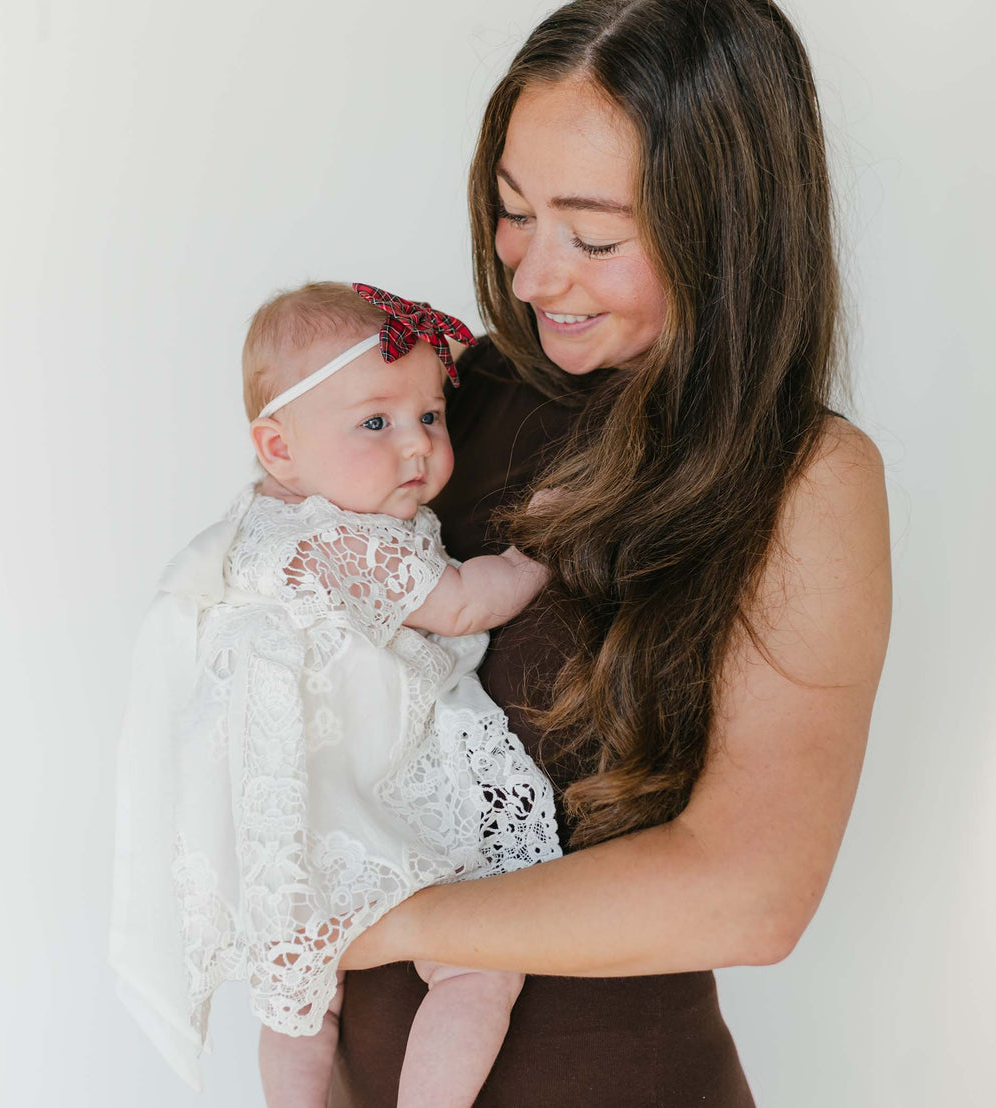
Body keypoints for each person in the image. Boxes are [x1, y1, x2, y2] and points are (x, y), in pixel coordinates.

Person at [331, 1, 892, 1105]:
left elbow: (751, 891)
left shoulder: (805, 479)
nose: (537, 277)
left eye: (592, 236)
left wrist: (374, 925)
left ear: (722, 226)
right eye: (510, 212)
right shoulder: (446, 407)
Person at [109, 281, 564, 1108]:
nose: (417, 448)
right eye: (376, 423)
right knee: (478, 965)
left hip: (278, 831)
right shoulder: (343, 538)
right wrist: (536, 552)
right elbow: (462, 600)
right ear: (279, 449)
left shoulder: (258, 525)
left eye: (431, 416)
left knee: (298, 1004)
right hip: (355, 801)